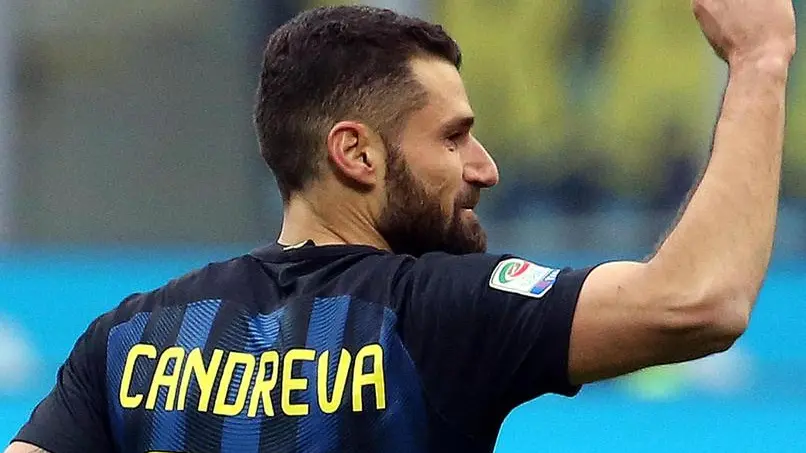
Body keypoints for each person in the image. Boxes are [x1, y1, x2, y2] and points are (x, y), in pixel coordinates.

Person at [5, 1, 796, 452]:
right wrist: (760, 60)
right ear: (356, 153)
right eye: (452, 137)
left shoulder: (131, 338)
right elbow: (700, 300)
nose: (484, 166)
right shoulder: (431, 314)